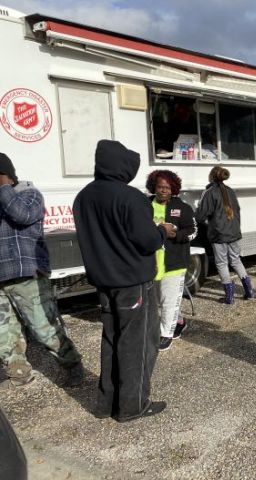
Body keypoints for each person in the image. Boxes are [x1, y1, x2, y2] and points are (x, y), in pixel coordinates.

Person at [73, 140, 173, 422]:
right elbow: (147, 241)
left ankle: (106, 402)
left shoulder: (84, 197)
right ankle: (133, 405)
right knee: (138, 343)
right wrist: (162, 231)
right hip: (132, 280)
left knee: (112, 339)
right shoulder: (130, 198)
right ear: (123, 166)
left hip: (103, 281)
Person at [0, 153, 83, 388]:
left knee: (44, 327)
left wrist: (4, 187)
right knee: (4, 334)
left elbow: (22, 215)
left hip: (27, 275)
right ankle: (19, 372)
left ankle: (73, 365)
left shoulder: (29, 194)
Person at [146, 170, 197, 351]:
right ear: (154, 186)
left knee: (168, 300)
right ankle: (180, 321)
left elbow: (193, 231)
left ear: (173, 188)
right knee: (161, 299)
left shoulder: (182, 207)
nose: (163, 191)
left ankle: (166, 334)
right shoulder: (145, 205)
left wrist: (176, 235)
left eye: (167, 187)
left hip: (174, 262)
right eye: (160, 187)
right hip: (151, 262)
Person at [195, 166, 254, 305]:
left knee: (221, 263)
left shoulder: (209, 192)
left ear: (211, 177)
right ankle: (249, 290)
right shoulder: (230, 191)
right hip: (233, 232)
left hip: (218, 233)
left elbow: (201, 214)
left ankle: (229, 296)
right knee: (235, 260)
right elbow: (237, 211)